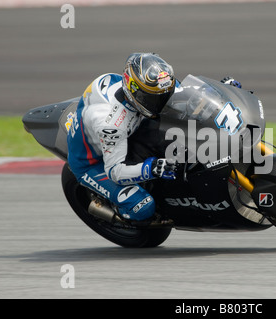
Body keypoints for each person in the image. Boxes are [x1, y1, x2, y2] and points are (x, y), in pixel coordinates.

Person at [67, 52, 241, 224]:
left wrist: (221, 91)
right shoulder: (112, 125)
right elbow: (115, 172)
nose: (163, 101)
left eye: (165, 94)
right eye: (153, 98)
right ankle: (122, 214)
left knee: (182, 137)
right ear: (134, 92)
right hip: (93, 163)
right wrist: (153, 168)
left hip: (133, 131)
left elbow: (186, 93)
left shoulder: (149, 88)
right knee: (144, 207)